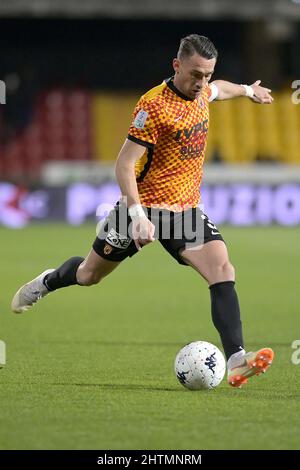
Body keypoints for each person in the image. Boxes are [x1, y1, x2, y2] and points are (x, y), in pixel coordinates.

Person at [11, 34, 274, 388]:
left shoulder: (203, 92)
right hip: (142, 207)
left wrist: (245, 89)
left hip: (185, 211)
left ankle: (237, 359)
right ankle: (47, 282)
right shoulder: (153, 107)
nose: (202, 83)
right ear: (176, 65)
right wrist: (136, 215)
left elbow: (219, 91)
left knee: (222, 268)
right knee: (90, 274)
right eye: (196, 74)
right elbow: (124, 165)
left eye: (208, 75)